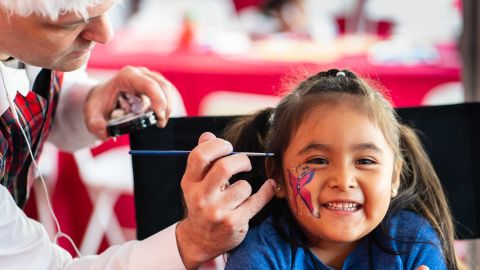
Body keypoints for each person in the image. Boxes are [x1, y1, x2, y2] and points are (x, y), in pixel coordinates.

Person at [0, 0, 275, 269]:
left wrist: (88, 102)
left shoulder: (22, 39)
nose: (106, 35)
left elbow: (33, 85)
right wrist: (191, 244)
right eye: (71, 23)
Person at [222, 69, 458, 269]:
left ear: (394, 177)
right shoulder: (259, 254)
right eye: (318, 160)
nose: (344, 180)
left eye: (365, 161)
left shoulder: (414, 243)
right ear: (278, 175)